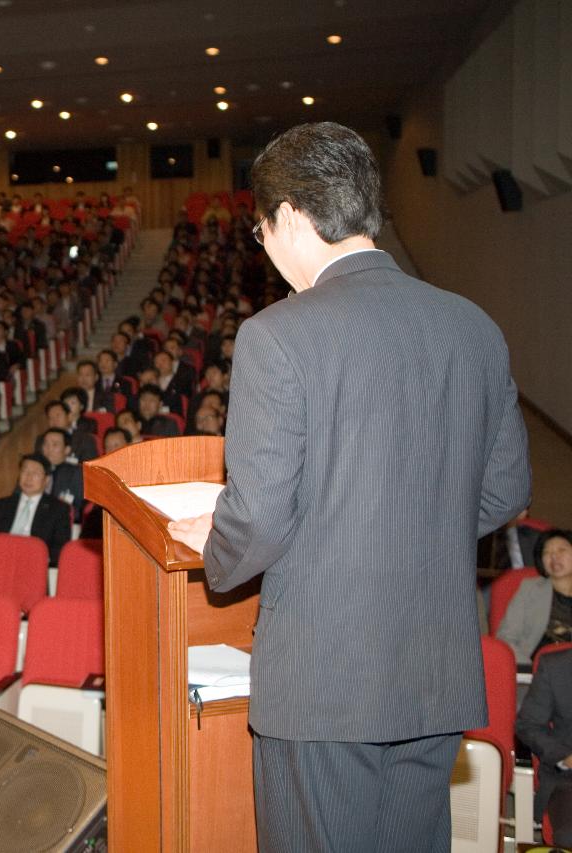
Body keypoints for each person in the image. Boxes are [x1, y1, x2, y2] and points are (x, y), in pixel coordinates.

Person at [167, 122, 531, 851]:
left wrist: (218, 537)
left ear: (293, 217)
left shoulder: (279, 334)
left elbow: (262, 516)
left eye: (263, 229)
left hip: (325, 683)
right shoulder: (474, 327)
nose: (265, 250)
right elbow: (504, 493)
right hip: (433, 672)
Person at [515, 647, 572, 847]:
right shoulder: (557, 667)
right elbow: (527, 725)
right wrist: (566, 757)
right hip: (567, 780)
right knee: (568, 835)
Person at [0, 454, 71, 566]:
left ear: (46, 480)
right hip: (2, 560)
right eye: (24, 472)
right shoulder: (3, 504)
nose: (28, 477)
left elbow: (60, 546)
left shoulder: (58, 509)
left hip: (35, 564)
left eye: (35, 473)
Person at [497, 529, 572, 665]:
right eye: (547, 552)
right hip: (535, 671)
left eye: (561, 550)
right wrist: (531, 670)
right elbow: (506, 637)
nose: (554, 557)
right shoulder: (529, 589)